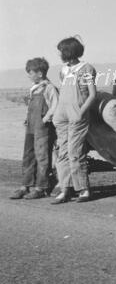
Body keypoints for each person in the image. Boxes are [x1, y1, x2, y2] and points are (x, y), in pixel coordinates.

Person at [51, 37, 97, 204]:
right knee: (61, 153)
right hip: (61, 115)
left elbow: (92, 95)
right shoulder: (63, 70)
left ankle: (83, 189)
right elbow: (64, 91)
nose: (59, 54)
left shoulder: (86, 68)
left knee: (75, 152)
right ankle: (65, 189)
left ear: (68, 51)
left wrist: (80, 113)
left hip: (77, 115)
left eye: (61, 51)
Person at [10, 58, 59, 200]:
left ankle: (41, 188)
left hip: (43, 129)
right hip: (31, 127)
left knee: (42, 157)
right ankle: (25, 186)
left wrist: (45, 119)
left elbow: (55, 106)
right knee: (28, 156)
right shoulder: (35, 88)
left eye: (30, 72)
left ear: (40, 73)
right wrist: (27, 119)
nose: (28, 75)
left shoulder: (49, 88)